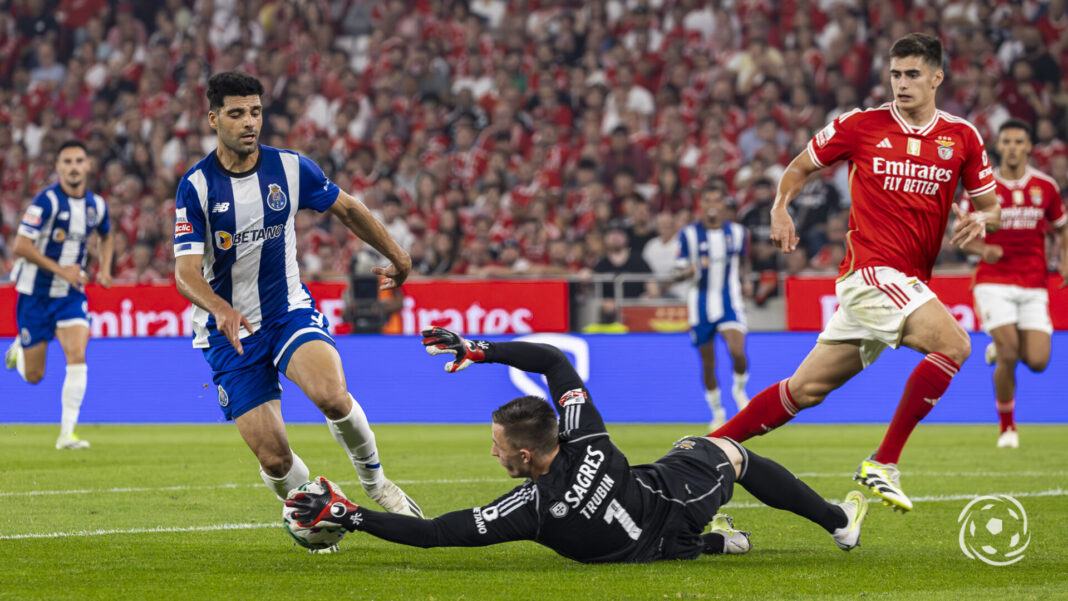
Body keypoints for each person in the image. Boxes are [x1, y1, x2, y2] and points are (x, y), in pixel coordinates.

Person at [711, 33, 1001, 513]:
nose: (902, 84)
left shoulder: (962, 137)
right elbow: (799, 167)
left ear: (936, 77)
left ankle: (703, 449)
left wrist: (979, 219)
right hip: (870, 272)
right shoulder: (860, 125)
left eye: (912, 75)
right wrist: (780, 208)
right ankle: (884, 462)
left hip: (906, 282)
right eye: (895, 74)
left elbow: (991, 205)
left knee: (804, 390)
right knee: (955, 344)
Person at [283, 326, 869, 563]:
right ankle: (836, 521)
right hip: (664, 508)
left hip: (649, 548)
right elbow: (554, 360)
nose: (492, 453)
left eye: (497, 446)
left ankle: (717, 543)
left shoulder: (530, 510)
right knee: (723, 452)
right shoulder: (583, 431)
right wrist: (482, 349)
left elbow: (437, 533)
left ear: (525, 457)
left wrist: (353, 517)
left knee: (700, 465)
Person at [172, 72, 422, 527]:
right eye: (236, 113)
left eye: (255, 111)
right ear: (213, 119)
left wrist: (397, 254)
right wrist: (221, 308)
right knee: (274, 459)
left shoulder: (290, 168)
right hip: (230, 333)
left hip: (287, 310)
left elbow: (347, 208)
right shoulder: (197, 187)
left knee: (331, 395)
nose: (249, 122)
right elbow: (185, 273)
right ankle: (324, 510)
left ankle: (377, 485)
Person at [959, 118, 1068, 449]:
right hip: (993, 280)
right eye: (1006, 141)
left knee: (1037, 361)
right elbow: (962, 237)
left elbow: (1061, 227)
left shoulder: (1045, 187)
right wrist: (983, 248)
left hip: (1034, 282)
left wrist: (1064, 260)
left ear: (1029, 148)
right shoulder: (981, 188)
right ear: (999, 146)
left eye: (1019, 142)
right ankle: (1007, 428)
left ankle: (1000, 346)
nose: (1012, 147)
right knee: (1009, 354)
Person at [5, 139, 114, 450]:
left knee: (78, 355)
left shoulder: (97, 205)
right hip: (35, 293)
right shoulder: (46, 202)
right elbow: (21, 246)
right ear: (58, 168)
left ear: (88, 166)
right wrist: (61, 269)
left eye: (79, 161)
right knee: (35, 376)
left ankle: (67, 434)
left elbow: (107, 235)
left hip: (70, 294)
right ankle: (18, 348)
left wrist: (105, 268)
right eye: (67, 162)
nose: (74, 167)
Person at [674, 185, 751, 430]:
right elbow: (679, 270)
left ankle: (739, 390)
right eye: (708, 200)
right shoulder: (689, 235)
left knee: (737, 351)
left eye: (717, 200)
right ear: (701, 204)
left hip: (730, 300)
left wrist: (746, 279)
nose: (712, 205)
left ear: (723, 206)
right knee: (708, 363)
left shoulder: (738, 233)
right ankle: (717, 412)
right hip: (700, 303)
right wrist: (687, 271)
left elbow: (744, 261)